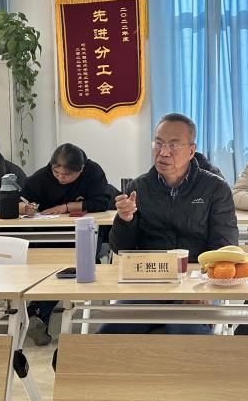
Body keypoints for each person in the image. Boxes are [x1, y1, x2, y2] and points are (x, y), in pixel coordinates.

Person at [102, 113, 238, 334]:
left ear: (191, 151)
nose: (164, 152)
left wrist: (204, 290)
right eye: (159, 143)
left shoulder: (215, 188)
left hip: (197, 281)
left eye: (173, 145)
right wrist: (125, 220)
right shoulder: (139, 187)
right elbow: (121, 248)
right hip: (150, 281)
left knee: (184, 331)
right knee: (111, 330)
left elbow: (224, 247)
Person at [21, 143, 110, 345]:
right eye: (56, 172)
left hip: (87, 231)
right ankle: (37, 313)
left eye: (67, 175)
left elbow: (101, 203)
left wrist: (66, 207)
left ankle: (36, 312)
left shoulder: (93, 172)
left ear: (81, 169)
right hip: (52, 233)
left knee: (76, 263)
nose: (61, 178)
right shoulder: (42, 176)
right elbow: (20, 199)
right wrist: (26, 208)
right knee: (49, 263)